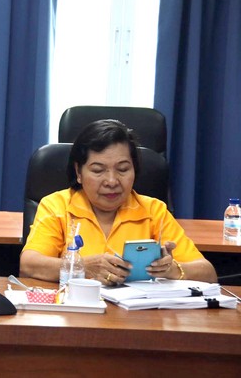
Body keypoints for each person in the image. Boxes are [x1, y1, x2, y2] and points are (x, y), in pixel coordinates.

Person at [21, 119, 216, 284]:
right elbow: (29, 263)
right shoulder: (57, 205)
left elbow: (208, 273)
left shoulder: (153, 210)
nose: (112, 181)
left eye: (123, 169)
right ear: (79, 172)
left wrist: (172, 270)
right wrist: (83, 267)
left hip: (138, 313)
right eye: (98, 170)